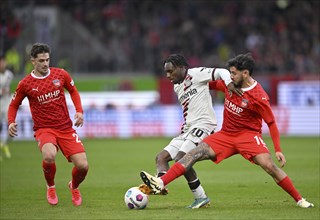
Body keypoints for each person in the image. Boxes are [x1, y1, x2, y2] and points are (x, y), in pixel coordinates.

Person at [140, 53, 314, 208]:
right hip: (225, 135)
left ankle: (299, 199)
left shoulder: (258, 96)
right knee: (190, 155)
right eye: (229, 72)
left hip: (248, 136)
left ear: (245, 73)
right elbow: (204, 85)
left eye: (234, 73)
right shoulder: (228, 85)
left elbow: (271, 123)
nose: (230, 76)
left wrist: (278, 149)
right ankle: (161, 183)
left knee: (269, 166)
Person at [140, 54, 242, 209]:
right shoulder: (177, 85)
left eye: (171, 71)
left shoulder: (196, 74)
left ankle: (198, 196)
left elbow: (222, 71)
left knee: (182, 158)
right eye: (166, 72)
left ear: (182, 68)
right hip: (188, 129)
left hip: (203, 125)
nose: (168, 76)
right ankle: (160, 184)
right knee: (161, 158)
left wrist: (228, 83)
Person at [7, 43, 89, 206]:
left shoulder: (61, 74)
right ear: (33, 61)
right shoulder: (26, 84)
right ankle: (50, 187)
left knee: (83, 166)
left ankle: (74, 186)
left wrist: (79, 111)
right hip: (44, 129)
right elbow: (13, 104)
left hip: (65, 128)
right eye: (41, 60)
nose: (45, 63)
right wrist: (11, 122)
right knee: (49, 156)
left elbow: (73, 91)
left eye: (47, 59)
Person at [0, 55, 14, 160]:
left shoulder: (9, 75)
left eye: (3, 62)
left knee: (12, 129)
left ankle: (3, 144)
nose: (2, 64)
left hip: (6, 105)